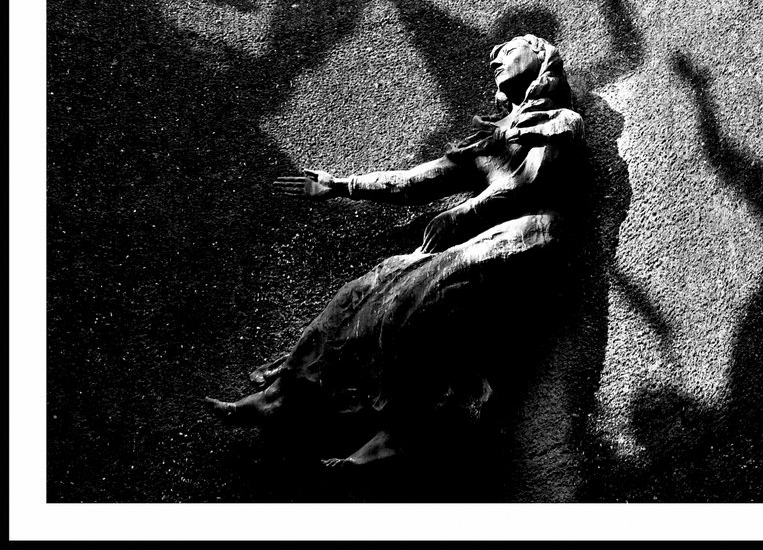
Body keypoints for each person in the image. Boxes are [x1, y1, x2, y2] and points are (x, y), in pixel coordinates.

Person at [205, 34, 584, 466]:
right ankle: (283, 394)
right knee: (362, 290)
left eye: (509, 49)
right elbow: (416, 180)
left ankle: (404, 429)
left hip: (528, 238)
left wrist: (463, 214)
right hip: (478, 240)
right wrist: (339, 184)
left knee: (426, 295)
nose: (495, 57)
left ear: (541, 58)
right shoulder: (489, 139)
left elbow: (532, 183)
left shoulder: (560, 121)